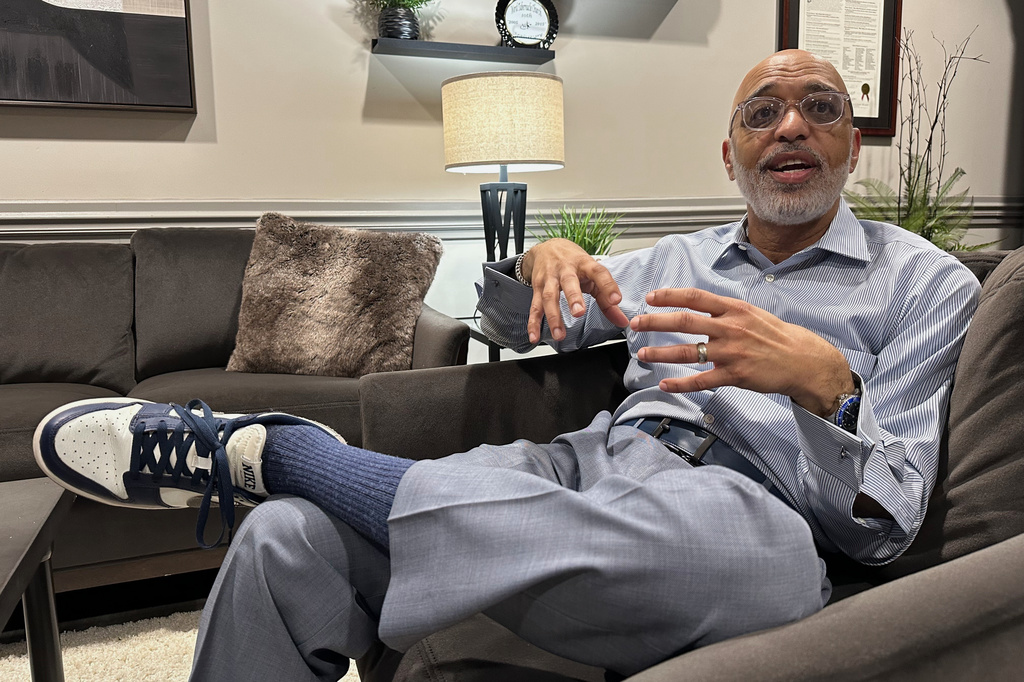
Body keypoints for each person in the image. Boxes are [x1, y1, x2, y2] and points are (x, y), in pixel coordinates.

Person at [33, 50, 979, 682]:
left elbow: (887, 523)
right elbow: (525, 325)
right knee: (287, 540)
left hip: (753, 501)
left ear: (852, 144)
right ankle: (298, 476)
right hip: (592, 463)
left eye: (820, 109)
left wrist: (830, 388)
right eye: (761, 112)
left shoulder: (921, 283)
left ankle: (291, 455)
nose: (789, 127)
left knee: (764, 574)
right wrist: (536, 265)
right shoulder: (672, 261)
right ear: (727, 150)